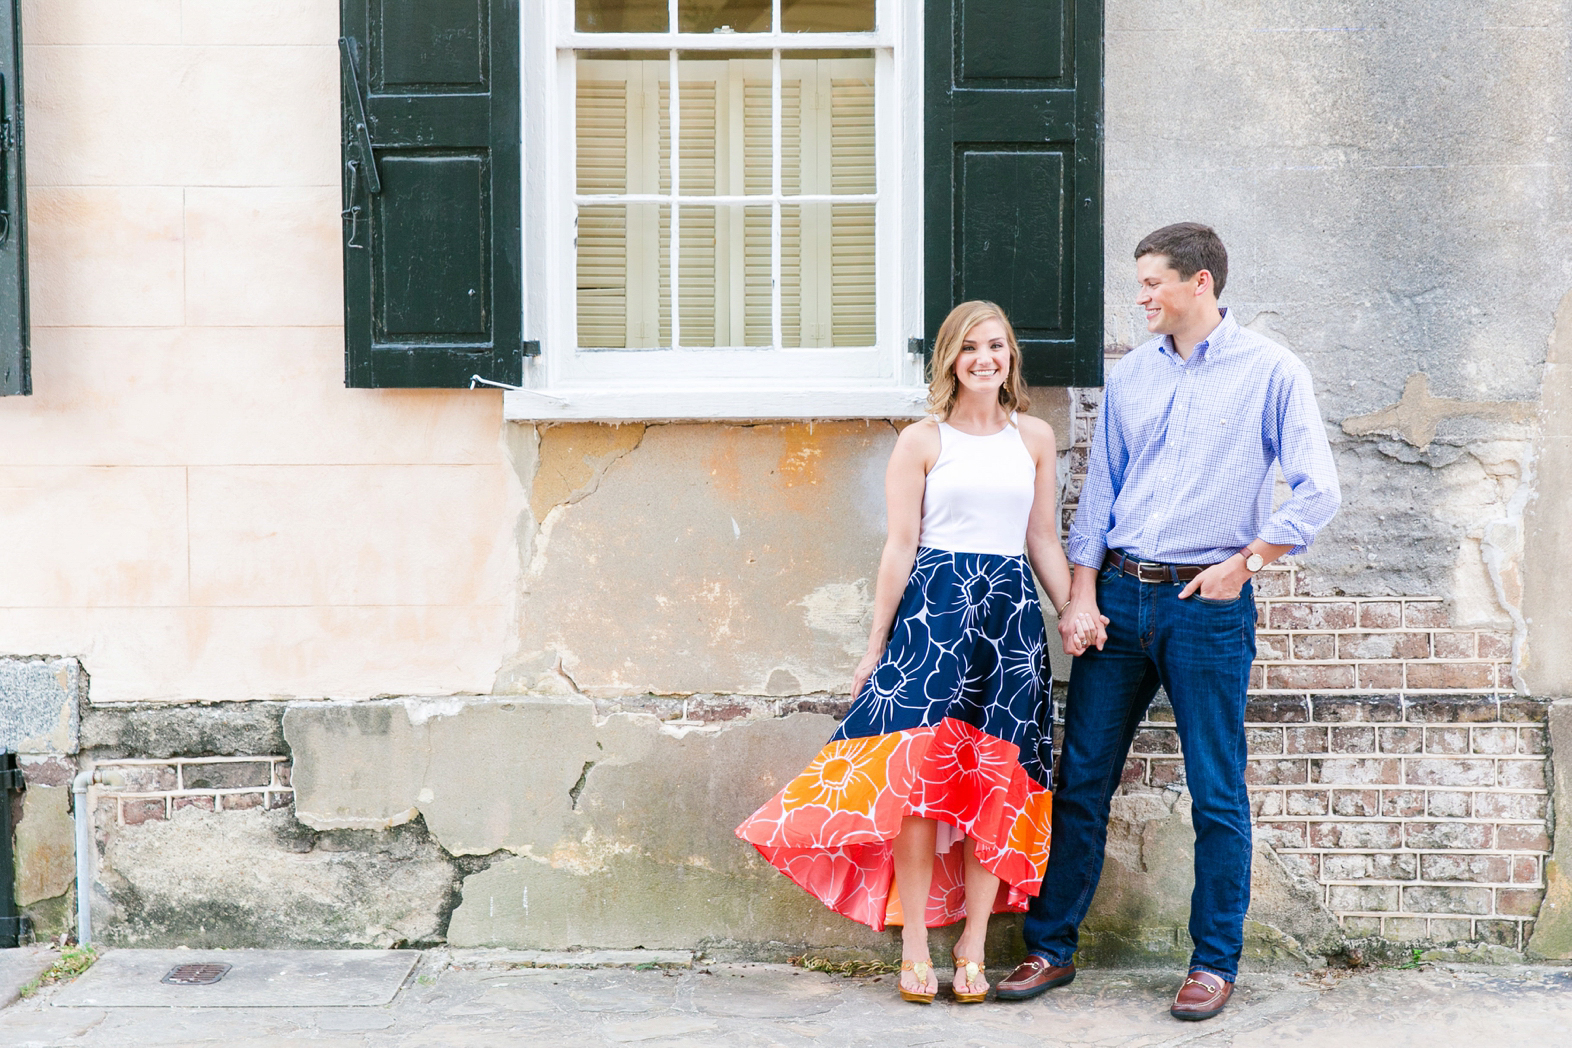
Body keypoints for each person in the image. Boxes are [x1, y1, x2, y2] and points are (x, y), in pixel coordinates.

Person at [995, 223, 1342, 1020]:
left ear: (1201, 284)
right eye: (1141, 283)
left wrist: (1246, 563)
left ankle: (1214, 962)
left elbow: (1316, 489)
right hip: (1119, 596)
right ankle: (1051, 948)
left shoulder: (1272, 372)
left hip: (1206, 606)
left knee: (1216, 789)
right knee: (1080, 780)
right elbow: (1101, 493)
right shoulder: (1133, 375)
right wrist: (1080, 596)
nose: (1142, 297)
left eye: (1154, 282)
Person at [736, 301, 1096, 1004]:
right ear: (951, 361)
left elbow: (1043, 539)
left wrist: (1073, 610)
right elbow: (899, 548)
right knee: (923, 786)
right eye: (970, 349)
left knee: (998, 780)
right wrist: (875, 648)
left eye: (996, 345)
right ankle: (911, 946)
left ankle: (971, 944)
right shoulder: (923, 441)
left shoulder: (1036, 437)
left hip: (1010, 620)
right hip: (934, 613)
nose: (985, 358)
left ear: (1010, 355)